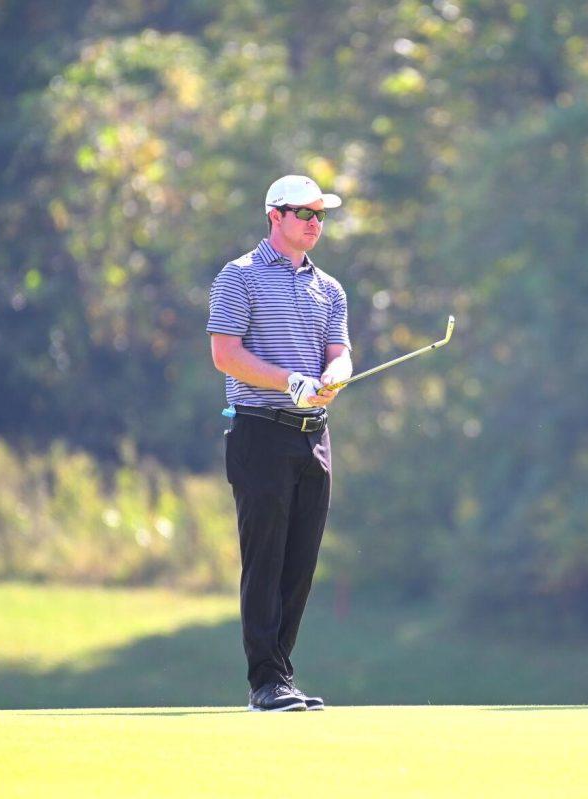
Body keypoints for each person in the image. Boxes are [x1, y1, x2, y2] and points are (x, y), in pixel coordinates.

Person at [207, 175, 353, 711]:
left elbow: (339, 351)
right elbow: (226, 354)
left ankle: (281, 677)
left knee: (300, 561)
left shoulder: (329, 288)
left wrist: (336, 373)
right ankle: (264, 682)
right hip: (260, 431)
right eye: (305, 213)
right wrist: (288, 379)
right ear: (275, 216)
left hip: (314, 438)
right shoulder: (238, 277)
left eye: (321, 215)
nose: (316, 223)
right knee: (265, 558)